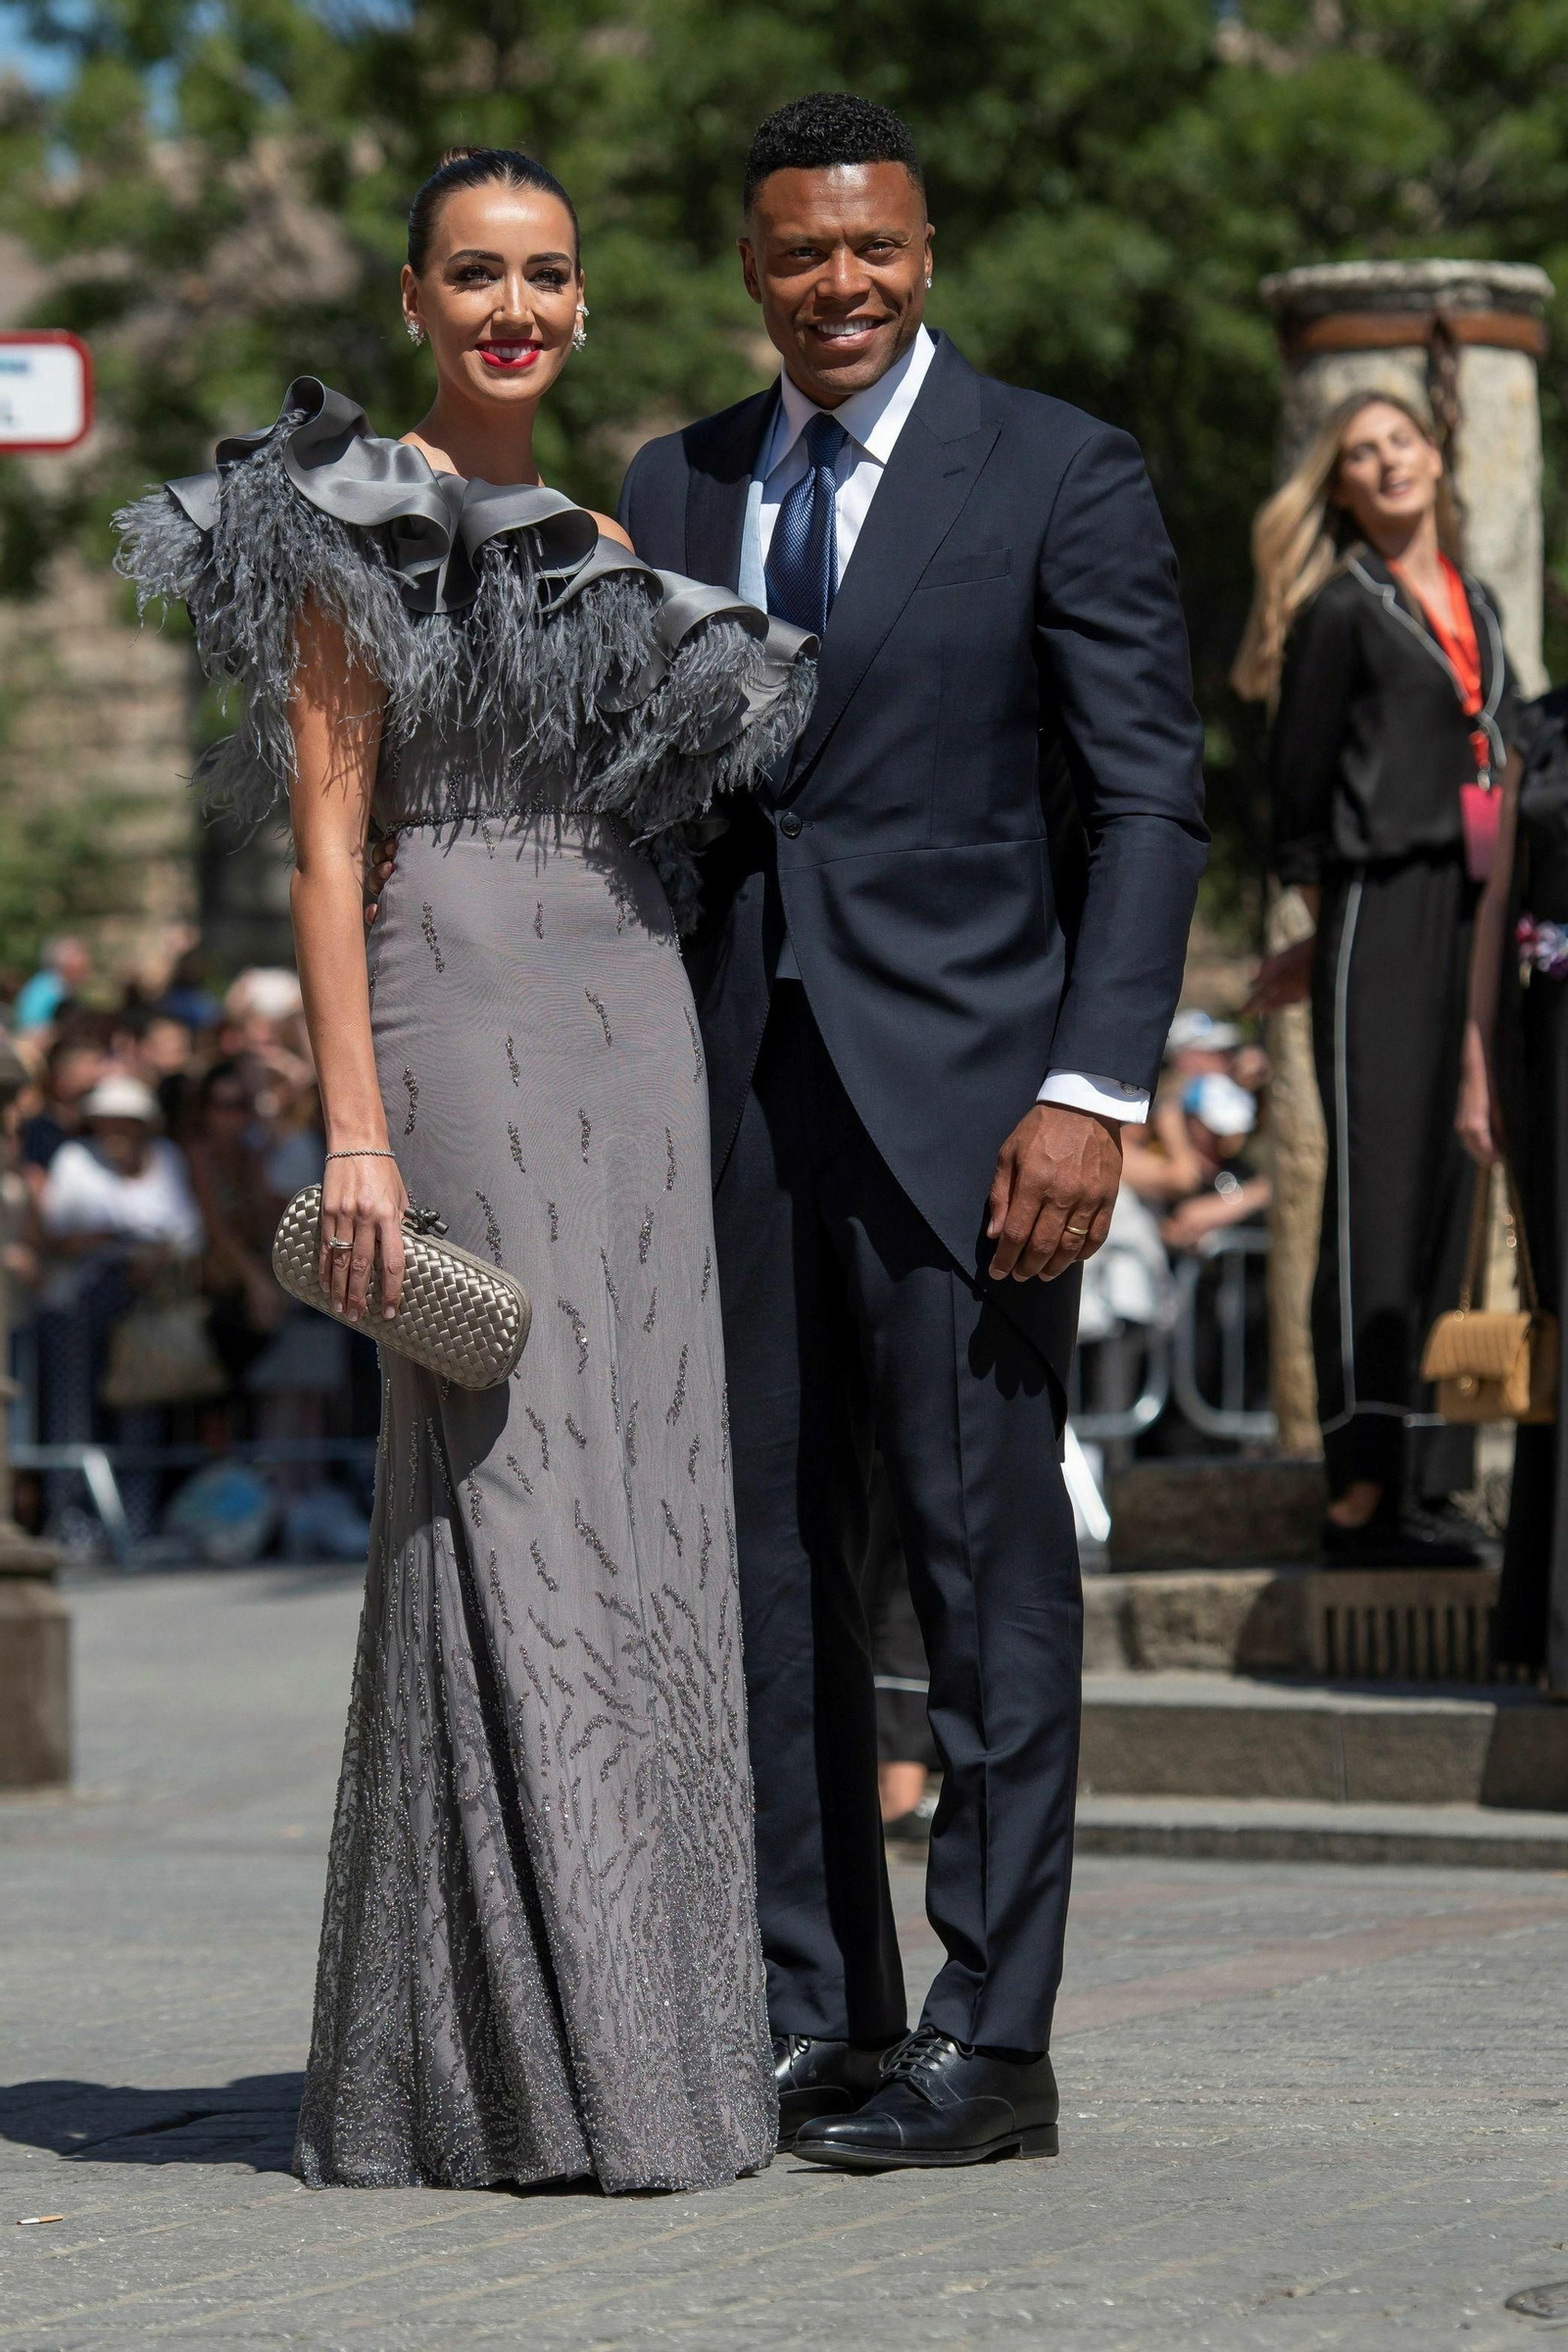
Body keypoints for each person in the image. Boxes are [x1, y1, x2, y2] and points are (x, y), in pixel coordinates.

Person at [115, 144, 815, 2194]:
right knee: (515, 1500)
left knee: (648, 1495)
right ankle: (543, 2058)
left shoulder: (602, 535)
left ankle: (643, 2053)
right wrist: (355, 1129)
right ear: (415, 303)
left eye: (549, 277)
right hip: (459, 1022)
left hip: (632, 1016)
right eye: (476, 277)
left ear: (582, 308)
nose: (516, 308)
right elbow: (332, 846)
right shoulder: (348, 522)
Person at [617, 94, 1206, 2170]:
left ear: (925, 252)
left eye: (871, 248)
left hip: (976, 1117)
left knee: (984, 1583)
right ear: (752, 267)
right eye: (797, 252)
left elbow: (1144, 799)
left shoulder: (1055, 468)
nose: (836, 283)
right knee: (769, 1571)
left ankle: (997, 2037)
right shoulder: (668, 482)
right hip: (732, 1105)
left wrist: (1086, 1086)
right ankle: (819, 2014)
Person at [1236, 390, 1520, 1567]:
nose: (1384, 462)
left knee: (1463, 1184)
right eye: (1359, 454)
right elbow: (1293, 788)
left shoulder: (1482, 603)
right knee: (1377, 1191)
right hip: (1379, 903)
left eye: (1397, 440)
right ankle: (1362, 1487)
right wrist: (1323, 925)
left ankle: (1437, 1477)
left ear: (1433, 455)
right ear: (1340, 488)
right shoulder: (1341, 612)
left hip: (1482, 907)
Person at [1459, 694, 1566, 1685]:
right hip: (1551, 1054)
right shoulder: (1534, 731)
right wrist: (1478, 1061)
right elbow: (1498, 901)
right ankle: (1545, 1624)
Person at [12, 937, 91, 1036]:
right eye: (82, 965)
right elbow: (30, 1026)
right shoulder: (50, 987)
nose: (87, 970)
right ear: (67, 965)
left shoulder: (52, 984)